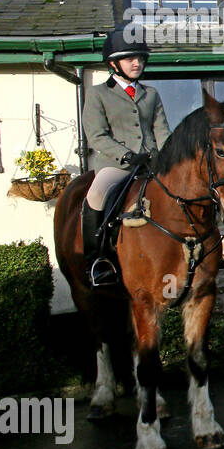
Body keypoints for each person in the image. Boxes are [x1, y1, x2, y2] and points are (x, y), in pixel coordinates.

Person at [80, 23, 171, 286]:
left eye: (140, 58)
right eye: (130, 58)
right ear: (114, 64)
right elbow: (96, 136)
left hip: (152, 164)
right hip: (116, 166)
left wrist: (166, 157)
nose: (137, 63)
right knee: (96, 195)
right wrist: (128, 156)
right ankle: (96, 260)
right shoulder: (97, 94)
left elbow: (162, 131)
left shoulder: (150, 94)